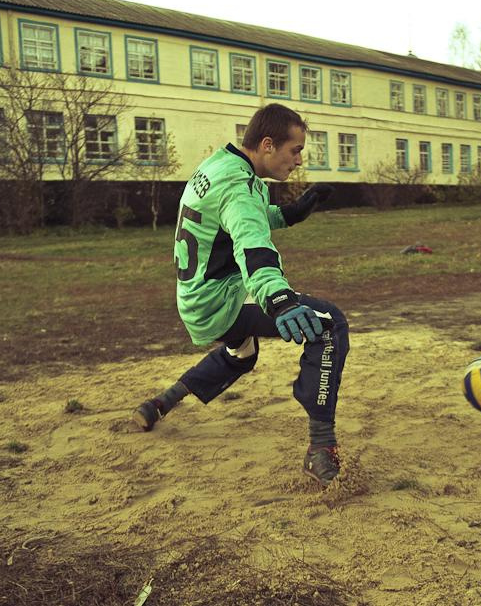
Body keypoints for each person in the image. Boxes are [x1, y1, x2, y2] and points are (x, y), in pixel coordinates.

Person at [133, 103, 349, 487]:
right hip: (221, 298)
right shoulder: (240, 187)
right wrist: (279, 300)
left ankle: (160, 403)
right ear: (267, 145)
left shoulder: (220, 165)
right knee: (329, 324)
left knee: (242, 354)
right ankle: (320, 448)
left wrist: (293, 212)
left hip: (197, 295)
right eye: (295, 150)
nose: (299, 160)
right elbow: (252, 245)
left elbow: (239, 217)